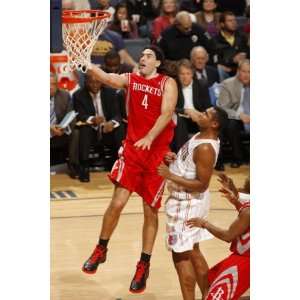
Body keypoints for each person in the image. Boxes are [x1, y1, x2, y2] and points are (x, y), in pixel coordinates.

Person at [81, 45, 178, 293]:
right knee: (117, 202)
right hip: (134, 150)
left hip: (156, 155)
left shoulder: (167, 83)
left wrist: (150, 136)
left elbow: (167, 114)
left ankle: (144, 264)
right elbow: (107, 77)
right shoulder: (131, 79)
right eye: (142, 55)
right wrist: (87, 64)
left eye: (148, 56)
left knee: (150, 211)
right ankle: (101, 248)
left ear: (157, 63)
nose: (143, 58)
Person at [157, 106, 229, 300]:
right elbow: (190, 165)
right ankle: (209, 296)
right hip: (188, 202)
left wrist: (170, 174)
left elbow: (201, 184)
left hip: (187, 204)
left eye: (205, 114)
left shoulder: (206, 147)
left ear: (214, 124)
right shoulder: (201, 136)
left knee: (181, 256)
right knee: (193, 251)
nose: (201, 114)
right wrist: (175, 160)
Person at [186, 174, 250, 300]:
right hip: (245, 259)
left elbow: (228, 236)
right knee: (209, 280)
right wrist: (235, 201)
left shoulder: (248, 211)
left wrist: (204, 224)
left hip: (245, 262)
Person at [73, 73, 125, 182]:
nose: (94, 85)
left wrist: (112, 123)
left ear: (102, 82)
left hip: (107, 130)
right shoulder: (78, 95)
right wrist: (92, 119)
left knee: (119, 128)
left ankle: (120, 164)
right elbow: (79, 115)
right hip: (92, 130)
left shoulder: (111, 93)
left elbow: (118, 114)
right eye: (91, 82)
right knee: (84, 129)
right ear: (85, 82)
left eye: (97, 82)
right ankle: (84, 167)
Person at [172, 59, 212, 152]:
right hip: (181, 118)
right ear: (178, 75)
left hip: (198, 118)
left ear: (192, 74)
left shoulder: (201, 85)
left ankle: (216, 160)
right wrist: (187, 111)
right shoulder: (174, 85)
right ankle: (181, 156)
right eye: (182, 74)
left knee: (213, 122)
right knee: (180, 121)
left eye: (188, 73)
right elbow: (170, 107)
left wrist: (201, 115)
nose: (185, 77)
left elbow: (207, 106)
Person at [217, 59, 250, 168]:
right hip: (236, 118)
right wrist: (239, 115)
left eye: (249, 72)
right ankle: (238, 157)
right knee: (231, 124)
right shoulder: (228, 84)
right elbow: (222, 107)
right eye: (244, 71)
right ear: (238, 71)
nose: (246, 75)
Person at [50, 72, 80, 178]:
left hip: (60, 132)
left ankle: (74, 167)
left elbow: (71, 116)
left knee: (75, 133)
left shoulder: (64, 95)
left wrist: (63, 128)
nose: (50, 87)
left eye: (53, 84)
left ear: (57, 85)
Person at [213, 11, 249, 81]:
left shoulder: (242, 37)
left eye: (234, 20)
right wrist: (232, 60)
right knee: (219, 69)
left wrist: (245, 56)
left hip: (241, 71)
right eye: (230, 21)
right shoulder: (215, 41)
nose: (234, 23)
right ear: (222, 24)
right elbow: (215, 61)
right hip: (225, 73)